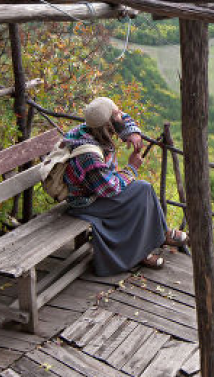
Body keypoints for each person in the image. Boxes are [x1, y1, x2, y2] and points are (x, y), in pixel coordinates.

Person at [61, 97, 187, 276]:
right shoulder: (88, 155)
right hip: (86, 202)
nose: (121, 116)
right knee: (138, 195)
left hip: (96, 191)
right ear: (108, 125)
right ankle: (142, 252)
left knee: (142, 190)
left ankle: (161, 234)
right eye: (117, 116)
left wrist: (132, 131)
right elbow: (110, 189)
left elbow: (121, 116)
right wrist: (132, 168)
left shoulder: (91, 127)